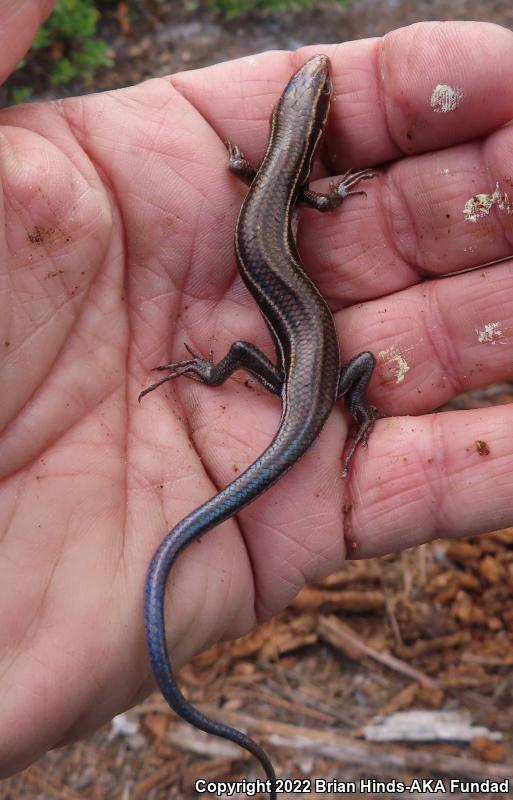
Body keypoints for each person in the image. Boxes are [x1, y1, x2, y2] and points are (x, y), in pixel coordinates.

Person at [1, 2, 512, 777]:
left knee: (255, 352)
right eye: (316, 103)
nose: (321, 97)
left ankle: (251, 385)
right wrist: (353, 406)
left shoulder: (267, 168)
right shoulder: (303, 178)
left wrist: (259, 164)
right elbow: (311, 197)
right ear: (305, 134)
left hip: (292, 372)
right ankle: (357, 411)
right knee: (317, 365)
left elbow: (265, 179)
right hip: (309, 378)